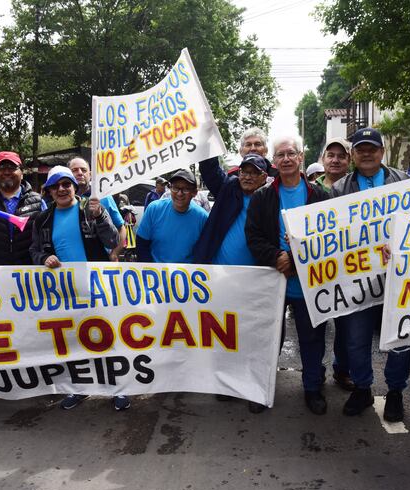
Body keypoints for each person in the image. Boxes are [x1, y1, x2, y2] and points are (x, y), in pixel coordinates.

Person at [330, 128, 410, 422]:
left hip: (397, 279)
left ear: (382, 151)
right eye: (361, 149)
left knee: (400, 338)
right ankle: (362, 388)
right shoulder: (340, 188)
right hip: (357, 280)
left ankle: (395, 393)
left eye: (372, 148)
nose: (367, 153)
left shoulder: (406, 183)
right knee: (356, 339)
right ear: (353, 155)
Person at [245, 135, 330, 415]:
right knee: (268, 339)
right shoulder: (263, 197)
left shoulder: (320, 196)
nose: (285, 159)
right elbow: (253, 236)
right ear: (274, 161)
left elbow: (329, 239)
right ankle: (260, 389)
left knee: (312, 339)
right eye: (280, 155)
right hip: (273, 281)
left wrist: (295, 259)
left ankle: (312, 389)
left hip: (309, 283)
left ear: (301, 156)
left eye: (290, 153)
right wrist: (276, 256)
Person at [28, 166, 125, 411]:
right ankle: (79, 388)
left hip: (98, 287)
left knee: (108, 337)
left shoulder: (89, 210)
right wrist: (44, 259)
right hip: (65, 293)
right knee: (75, 341)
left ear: (74, 186)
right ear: (49, 191)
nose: (61, 189)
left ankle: (119, 389)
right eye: (56, 186)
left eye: (66, 184)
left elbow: (113, 241)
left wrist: (101, 215)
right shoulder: (42, 219)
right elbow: (35, 250)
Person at [193, 153, 269, 412]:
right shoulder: (228, 188)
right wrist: (206, 137)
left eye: (253, 172)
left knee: (254, 335)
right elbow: (210, 167)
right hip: (220, 278)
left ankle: (255, 389)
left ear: (264, 177)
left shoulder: (271, 196)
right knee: (224, 332)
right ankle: (227, 383)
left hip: (257, 279)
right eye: (243, 171)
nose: (246, 176)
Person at [315, 138, 355, 391]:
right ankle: (315, 370)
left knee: (346, 326)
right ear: (323, 159)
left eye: (342, 156)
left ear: (348, 161)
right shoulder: (309, 189)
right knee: (316, 326)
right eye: (331, 155)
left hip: (349, 269)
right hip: (317, 270)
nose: (336, 160)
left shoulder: (357, 189)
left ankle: (342, 370)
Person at [136, 169, 208, 264]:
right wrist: (152, 271)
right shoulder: (154, 209)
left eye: (185, 189)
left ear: (194, 193)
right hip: (156, 274)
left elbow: (204, 252)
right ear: (170, 189)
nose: (179, 193)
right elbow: (142, 244)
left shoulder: (202, 217)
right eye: (175, 188)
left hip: (187, 276)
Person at [69, 156, 125, 262]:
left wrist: (114, 253)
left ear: (90, 174)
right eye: (74, 170)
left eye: (84, 170)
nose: (80, 173)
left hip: (100, 263)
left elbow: (121, 228)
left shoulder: (103, 196)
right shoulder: (62, 201)